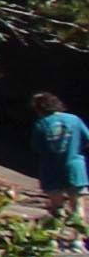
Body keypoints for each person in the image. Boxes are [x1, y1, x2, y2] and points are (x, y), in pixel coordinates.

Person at [38, 89, 88, 242]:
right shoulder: (75, 120)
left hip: (52, 168)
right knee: (77, 205)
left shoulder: (41, 124)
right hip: (75, 166)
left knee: (56, 207)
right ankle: (77, 240)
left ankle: (54, 239)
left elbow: (38, 147)